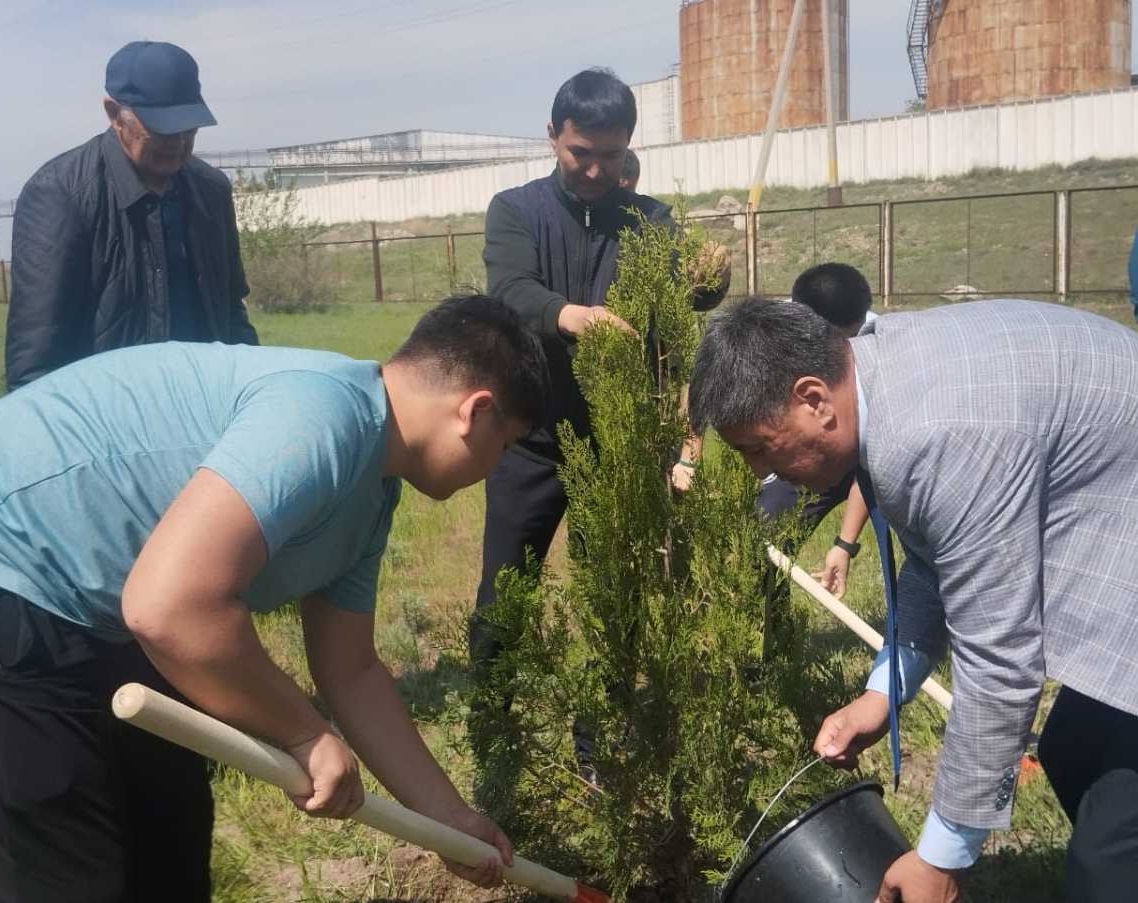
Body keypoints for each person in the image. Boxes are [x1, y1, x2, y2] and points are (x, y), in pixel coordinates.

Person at [0, 295, 546, 902]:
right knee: (56, 871)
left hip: (101, 604)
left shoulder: (373, 491)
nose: (496, 470)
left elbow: (351, 670)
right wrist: (304, 735)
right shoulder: (324, 417)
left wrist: (448, 818)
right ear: (476, 411)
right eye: (507, 446)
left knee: (168, 842)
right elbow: (169, 608)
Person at [689, 296, 1138, 903]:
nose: (757, 474)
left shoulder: (937, 436)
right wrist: (883, 695)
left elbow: (1000, 659)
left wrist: (940, 857)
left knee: (1106, 860)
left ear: (814, 399)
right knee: (1075, 748)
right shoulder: (876, 377)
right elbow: (937, 563)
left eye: (761, 449)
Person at [472, 68, 730, 771]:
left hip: (618, 445)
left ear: (629, 148)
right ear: (553, 136)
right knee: (504, 599)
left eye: (609, 156)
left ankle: (599, 751)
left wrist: (710, 277)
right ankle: (494, 742)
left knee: (613, 603)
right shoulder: (514, 211)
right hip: (527, 441)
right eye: (579, 152)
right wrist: (574, 317)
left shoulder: (651, 222)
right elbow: (511, 291)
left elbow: (687, 300)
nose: (593, 170)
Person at [5, 40, 258, 391]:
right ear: (113, 113)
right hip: (109, 421)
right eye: (161, 129)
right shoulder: (60, 194)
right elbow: (35, 361)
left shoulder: (211, 191)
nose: (178, 142)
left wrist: (251, 390)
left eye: (189, 129)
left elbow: (230, 313)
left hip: (205, 406)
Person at [758, 263, 876, 600]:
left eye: (852, 333)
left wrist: (844, 544)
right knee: (762, 536)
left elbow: (873, 472)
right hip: (809, 449)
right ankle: (771, 631)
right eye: (840, 338)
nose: (847, 346)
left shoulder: (874, 345)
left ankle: (909, 637)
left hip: (867, 447)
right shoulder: (771, 336)